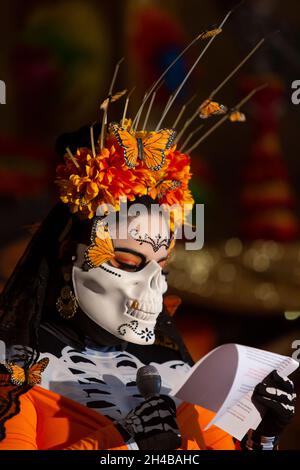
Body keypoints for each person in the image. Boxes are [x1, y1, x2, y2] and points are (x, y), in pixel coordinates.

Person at [0, 24, 296, 451]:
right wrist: (122, 440)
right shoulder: (15, 375)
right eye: (125, 260)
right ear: (69, 258)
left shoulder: (183, 378)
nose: (155, 287)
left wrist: (264, 436)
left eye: (162, 265)